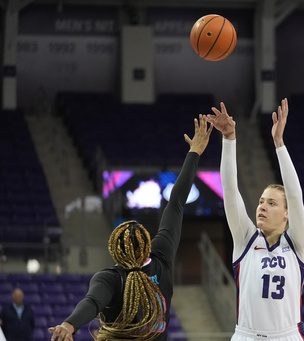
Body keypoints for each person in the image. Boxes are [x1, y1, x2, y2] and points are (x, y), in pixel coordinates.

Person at [48, 115, 213, 341]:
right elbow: (176, 202)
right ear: (147, 244)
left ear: (115, 249)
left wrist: (69, 324)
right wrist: (194, 153)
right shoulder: (161, 257)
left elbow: (92, 302)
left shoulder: (111, 278)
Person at [207, 99, 304, 341]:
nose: (262, 206)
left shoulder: (297, 243)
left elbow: (295, 196)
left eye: (271, 203)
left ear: (287, 213)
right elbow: (230, 191)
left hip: (287, 336)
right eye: (261, 201)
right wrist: (229, 139)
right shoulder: (245, 238)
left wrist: (279, 144)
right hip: (247, 336)